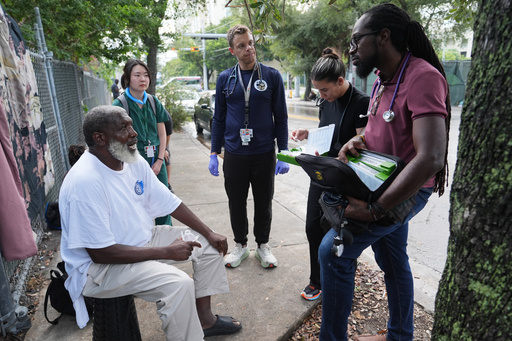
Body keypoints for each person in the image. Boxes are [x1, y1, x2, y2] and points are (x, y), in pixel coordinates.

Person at [318, 4, 451, 341]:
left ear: (383, 37)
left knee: (332, 252)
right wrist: (357, 140)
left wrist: (376, 210)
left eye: (356, 41)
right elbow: (382, 132)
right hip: (378, 182)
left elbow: (431, 157)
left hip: (403, 191)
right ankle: (400, 336)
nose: (350, 50)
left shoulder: (422, 77)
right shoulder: (382, 79)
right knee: (393, 263)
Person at [59, 105, 242, 340]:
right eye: (124, 128)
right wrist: (166, 251)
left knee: (207, 245)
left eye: (131, 125)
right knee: (179, 284)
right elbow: (100, 253)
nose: (134, 133)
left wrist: (208, 232)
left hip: (141, 239)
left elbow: (169, 201)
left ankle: (205, 321)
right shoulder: (85, 182)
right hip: (98, 270)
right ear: (100, 138)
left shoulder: (131, 160)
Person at [290, 47, 369, 301]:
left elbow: (363, 142)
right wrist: (307, 134)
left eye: (324, 90)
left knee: (340, 232)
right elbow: (327, 133)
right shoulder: (326, 101)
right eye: (318, 91)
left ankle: (343, 279)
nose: (321, 95)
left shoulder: (360, 102)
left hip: (346, 178)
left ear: (340, 81)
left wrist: (346, 153)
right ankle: (317, 281)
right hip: (323, 171)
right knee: (313, 227)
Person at [209, 24, 289, 269]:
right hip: (234, 153)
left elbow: (281, 117)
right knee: (236, 201)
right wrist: (214, 151)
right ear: (232, 51)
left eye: (250, 43)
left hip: (264, 152)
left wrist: (283, 152)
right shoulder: (226, 79)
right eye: (241, 46)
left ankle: (263, 246)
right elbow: (218, 118)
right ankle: (240, 246)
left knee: (264, 201)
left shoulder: (271, 76)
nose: (248, 49)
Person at [113, 60, 172, 226]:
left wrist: (160, 160)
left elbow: (162, 132)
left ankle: (167, 238)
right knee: (136, 201)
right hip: (133, 161)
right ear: (128, 79)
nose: (143, 79)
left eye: (146, 75)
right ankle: (141, 241)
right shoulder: (120, 104)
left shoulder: (153, 102)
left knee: (163, 200)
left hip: (156, 159)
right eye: (137, 75)